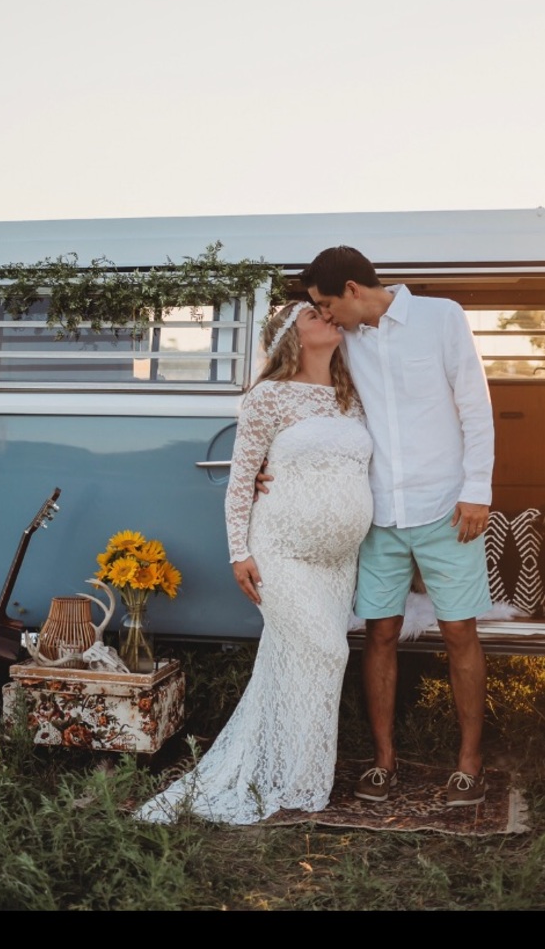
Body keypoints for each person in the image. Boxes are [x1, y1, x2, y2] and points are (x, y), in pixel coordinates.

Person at [135, 301, 373, 825]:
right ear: (292, 335)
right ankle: (295, 785)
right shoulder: (267, 396)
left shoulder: (351, 395)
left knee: (296, 662)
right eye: (315, 316)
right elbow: (242, 479)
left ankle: (294, 776)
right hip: (280, 551)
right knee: (328, 652)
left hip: (337, 561)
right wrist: (238, 552)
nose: (329, 318)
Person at [299, 245, 494, 807]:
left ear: (354, 290)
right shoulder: (344, 340)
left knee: (460, 633)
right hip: (378, 513)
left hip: (447, 508)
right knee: (379, 634)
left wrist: (477, 490)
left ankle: (468, 764)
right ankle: (384, 760)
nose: (327, 316)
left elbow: (475, 407)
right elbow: (305, 394)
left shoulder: (442, 317)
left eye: (328, 303)